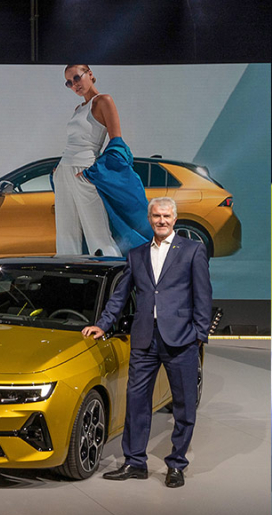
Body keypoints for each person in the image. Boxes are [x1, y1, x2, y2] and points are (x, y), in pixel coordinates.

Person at [82, 197, 212, 488]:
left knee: (184, 407)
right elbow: (120, 295)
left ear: (174, 219)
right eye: (156, 216)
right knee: (136, 403)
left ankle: (176, 465)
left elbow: (203, 295)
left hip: (181, 339)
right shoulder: (137, 254)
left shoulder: (193, 250)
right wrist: (103, 324)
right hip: (144, 338)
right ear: (149, 219)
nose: (161, 221)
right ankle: (134, 462)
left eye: (166, 216)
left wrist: (199, 335)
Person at [54, 64, 128, 257]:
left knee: (98, 235)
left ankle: (113, 273)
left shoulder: (104, 100)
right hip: (64, 171)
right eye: (69, 83)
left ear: (90, 74)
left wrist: (95, 171)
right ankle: (66, 274)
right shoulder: (78, 108)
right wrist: (59, 168)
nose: (74, 85)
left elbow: (116, 141)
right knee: (65, 235)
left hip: (85, 170)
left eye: (77, 78)